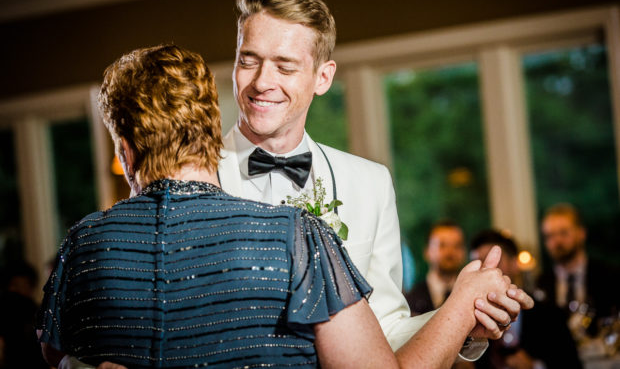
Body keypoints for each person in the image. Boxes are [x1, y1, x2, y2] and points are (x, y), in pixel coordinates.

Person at [37, 44, 519, 369]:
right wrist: (460, 307)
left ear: (123, 149)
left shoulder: (82, 245)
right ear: (212, 123)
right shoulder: (296, 238)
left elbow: (54, 355)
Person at [471, 229, 582, 369]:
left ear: (514, 263)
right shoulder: (472, 318)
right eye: (477, 263)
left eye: (494, 262)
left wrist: (535, 366)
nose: (485, 270)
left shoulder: (550, 315)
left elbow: (571, 364)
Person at [536, 203, 619, 338]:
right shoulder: (542, 282)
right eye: (549, 236)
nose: (557, 241)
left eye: (563, 233)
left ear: (581, 233)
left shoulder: (609, 276)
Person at [405, 220, 466, 315]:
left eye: (456, 246)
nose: (450, 252)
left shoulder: (470, 295)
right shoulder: (409, 301)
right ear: (427, 251)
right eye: (442, 245)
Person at [0, 262, 49, 369]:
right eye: (15, 285)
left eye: (25, 285)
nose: (19, 290)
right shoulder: (37, 311)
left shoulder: (37, 312)